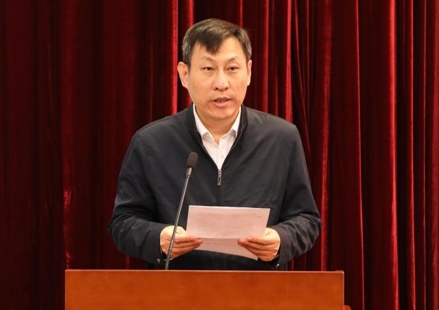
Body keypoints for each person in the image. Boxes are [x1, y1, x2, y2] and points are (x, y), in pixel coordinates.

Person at [108, 18, 320, 270]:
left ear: (249, 72)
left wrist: (281, 239)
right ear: (184, 75)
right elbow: (123, 222)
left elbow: (306, 219)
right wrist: (158, 238)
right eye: (208, 69)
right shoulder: (151, 143)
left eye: (232, 68)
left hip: (259, 290)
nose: (221, 83)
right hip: (178, 291)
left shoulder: (282, 138)